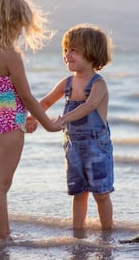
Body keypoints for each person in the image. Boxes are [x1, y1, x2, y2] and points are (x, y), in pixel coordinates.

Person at [0, 0, 63, 239]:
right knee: (1, 187)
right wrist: (48, 124)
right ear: (14, 22)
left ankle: (0, 237)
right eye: (21, 25)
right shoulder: (11, 55)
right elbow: (26, 96)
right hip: (8, 128)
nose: (23, 31)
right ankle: (1, 240)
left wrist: (19, 116)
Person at [36, 23, 114, 231]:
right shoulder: (67, 83)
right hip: (73, 147)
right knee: (78, 193)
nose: (67, 55)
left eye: (74, 50)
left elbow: (89, 107)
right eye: (65, 50)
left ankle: (107, 232)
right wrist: (34, 117)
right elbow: (44, 103)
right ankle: (78, 232)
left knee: (101, 193)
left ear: (91, 53)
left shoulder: (98, 84)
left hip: (97, 147)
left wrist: (63, 119)